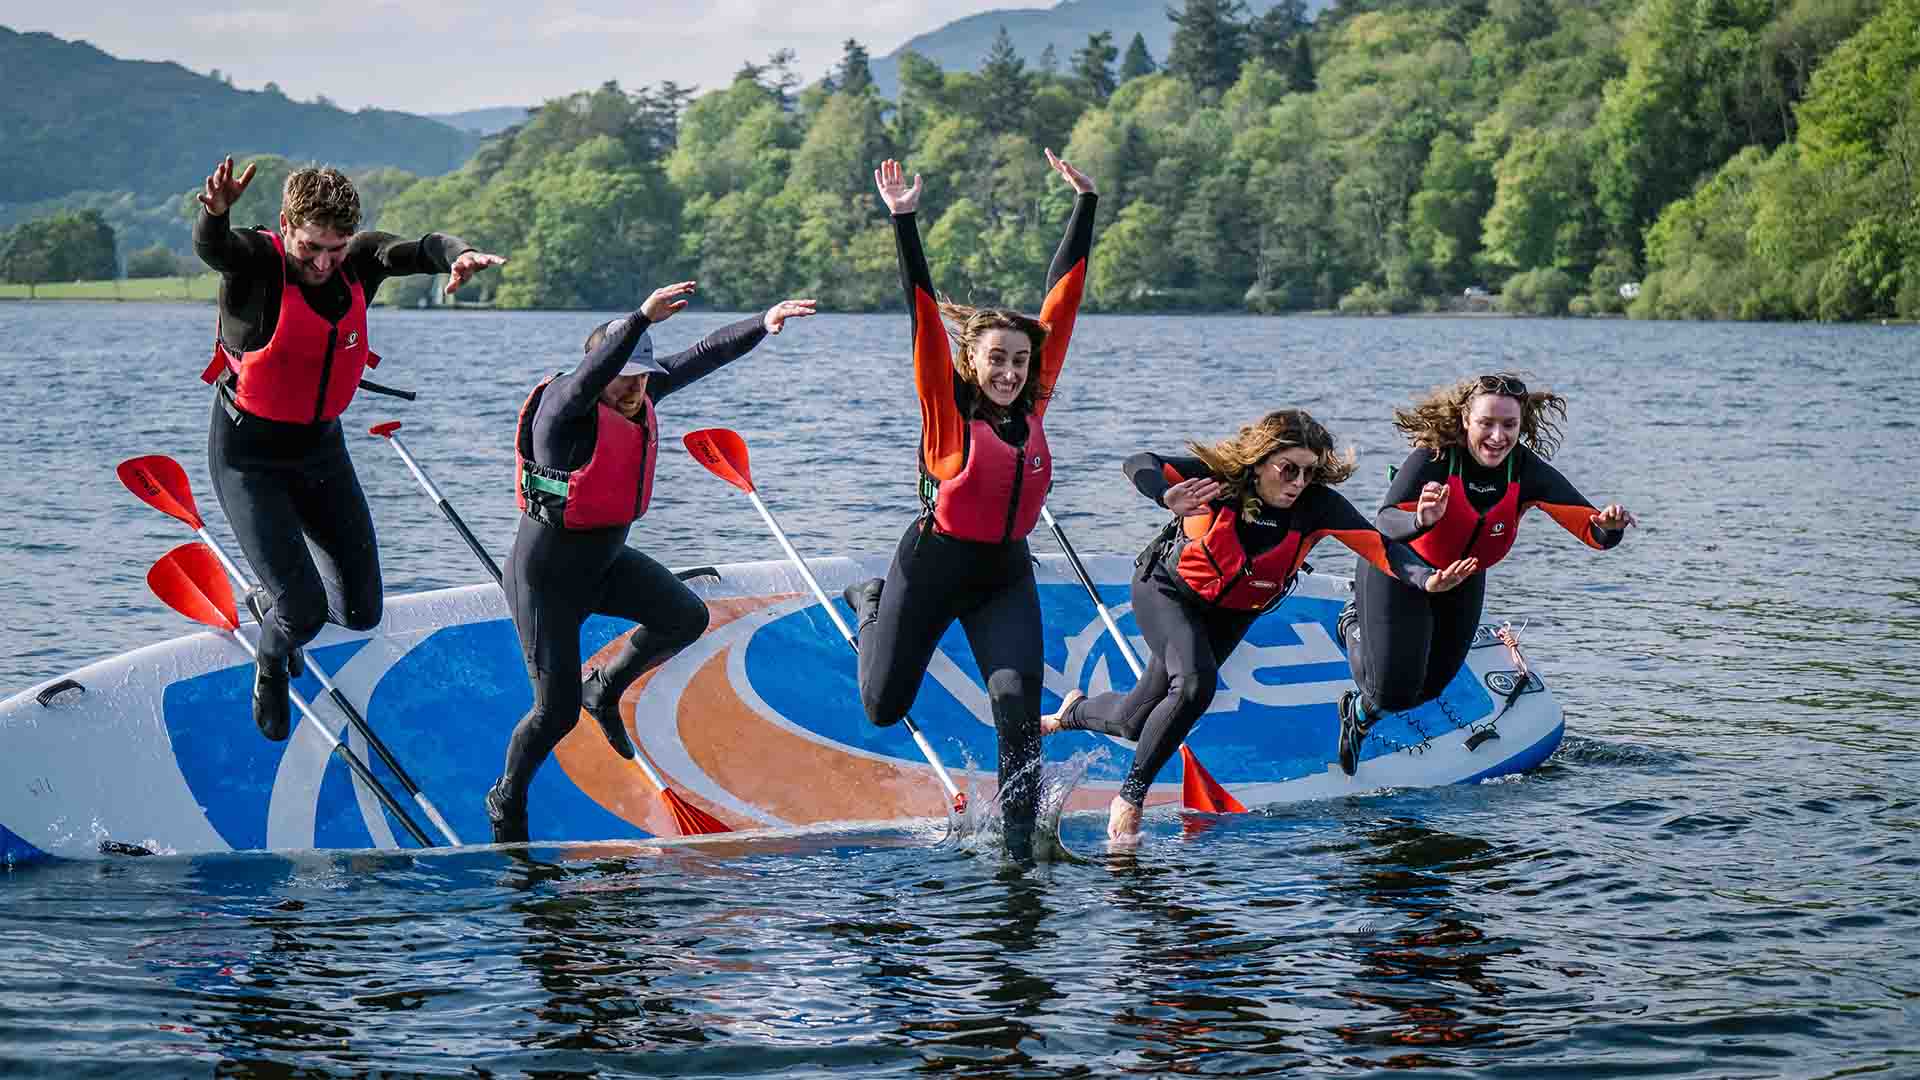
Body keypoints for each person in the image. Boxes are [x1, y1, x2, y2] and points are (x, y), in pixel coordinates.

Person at [485, 282, 818, 844]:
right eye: (625, 377)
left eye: (644, 378)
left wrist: (764, 320)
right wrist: (639, 317)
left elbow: (706, 353)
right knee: (554, 715)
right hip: (543, 584)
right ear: (597, 369)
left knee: (685, 618)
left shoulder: (639, 393)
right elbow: (594, 375)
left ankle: (606, 688)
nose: (637, 390)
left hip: (604, 566)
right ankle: (508, 793)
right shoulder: (563, 413)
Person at [193, 156, 506, 742]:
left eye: (335, 250)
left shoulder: (358, 262)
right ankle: (271, 658)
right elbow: (215, 249)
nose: (322, 262)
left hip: (320, 453)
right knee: (306, 612)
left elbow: (422, 247)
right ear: (286, 225)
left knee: (363, 613)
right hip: (248, 456)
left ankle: (275, 601)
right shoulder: (258, 265)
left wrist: (457, 254)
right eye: (312, 246)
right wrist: (215, 214)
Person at [839, 153, 1097, 863]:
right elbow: (921, 311)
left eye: (1020, 360)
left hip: (1003, 575)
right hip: (930, 567)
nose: (1011, 372)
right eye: (997, 360)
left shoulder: (1036, 397)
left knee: (1016, 707)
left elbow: (1062, 303)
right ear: (972, 363)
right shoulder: (947, 413)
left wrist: (1086, 205)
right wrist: (904, 221)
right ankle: (869, 604)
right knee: (883, 708)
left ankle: (1020, 854)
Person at [1041, 410, 1460, 841]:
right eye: (1288, 469)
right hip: (1167, 592)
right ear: (1260, 462)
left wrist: (1426, 578)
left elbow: (1380, 548)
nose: (1299, 482)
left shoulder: (1318, 506)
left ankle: (1071, 712)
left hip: (1233, 613)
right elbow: (1138, 462)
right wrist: (1165, 494)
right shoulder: (1218, 480)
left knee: (1133, 721)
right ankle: (1130, 798)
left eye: (1309, 472)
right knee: (1193, 686)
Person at [1336, 372, 1637, 775]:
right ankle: (1353, 628)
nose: (1498, 436)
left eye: (1509, 425)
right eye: (1486, 424)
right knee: (1392, 691)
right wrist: (1422, 520)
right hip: (1401, 571)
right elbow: (1387, 521)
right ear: (1466, 420)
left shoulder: (1526, 472)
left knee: (1430, 687)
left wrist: (1610, 529)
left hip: (1461, 578)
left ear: (1521, 425)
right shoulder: (1435, 459)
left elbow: (1591, 530)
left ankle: (1364, 704)